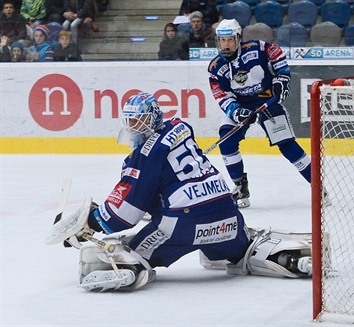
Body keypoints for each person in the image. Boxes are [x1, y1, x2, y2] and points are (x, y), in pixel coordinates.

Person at [45, 92, 313, 292]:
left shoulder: (144, 156)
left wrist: (90, 223)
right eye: (131, 122)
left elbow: (124, 213)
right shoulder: (179, 128)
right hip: (228, 218)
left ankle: (128, 268)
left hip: (182, 224)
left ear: (151, 120)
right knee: (242, 249)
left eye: (138, 122)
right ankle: (287, 258)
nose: (134, 128)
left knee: (125, 251)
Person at [207, 19, 314, 208]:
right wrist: (236, 111)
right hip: (240, 104)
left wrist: (282, 77)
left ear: (238, 38)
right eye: (222, 40)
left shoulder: (256, 48)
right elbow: (222, 96)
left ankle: (318, 186)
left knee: (286, 144)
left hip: (266, 100)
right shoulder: (215, 67)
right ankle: (240, 187)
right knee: (227, 140)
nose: (225, 44)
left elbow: (276, 53)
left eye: (230, 39)